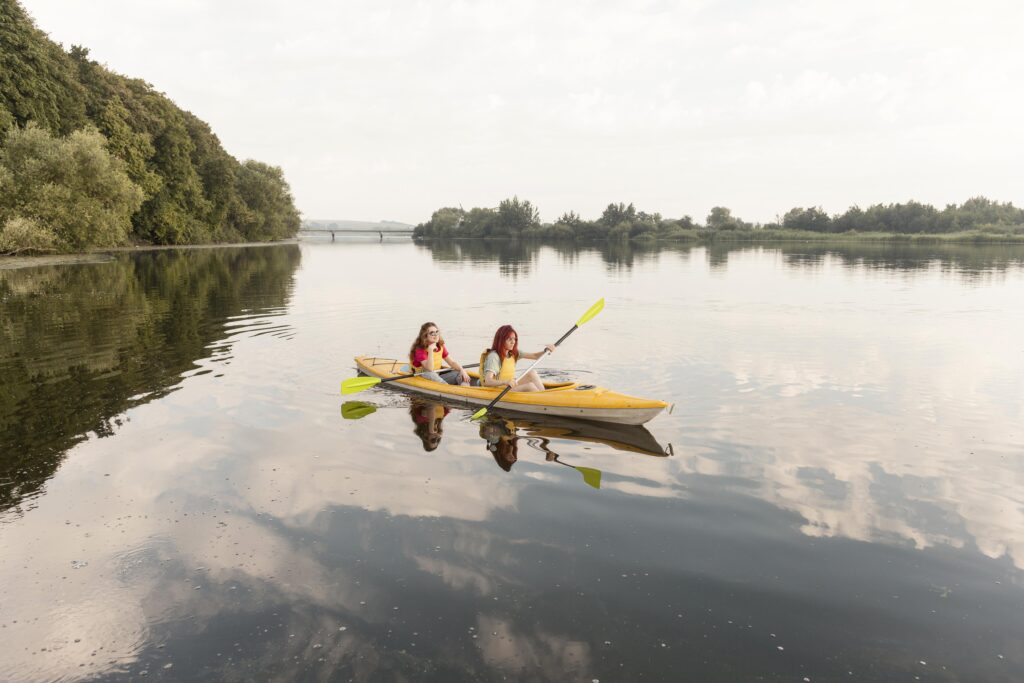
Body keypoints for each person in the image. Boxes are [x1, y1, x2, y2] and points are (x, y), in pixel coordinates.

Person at [479, 324, 555, 392]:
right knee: (530, 386)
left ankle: (544, 395)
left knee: (532, 373)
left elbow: (535, 356)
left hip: (508, 387)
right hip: (497, 391)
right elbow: (487, 381)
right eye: (510, 339)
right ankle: (543, 401)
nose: (513, 342)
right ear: (501, 340)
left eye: (514, 339)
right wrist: (505, 382)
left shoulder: (513, 353)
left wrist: (546, 351)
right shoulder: (494, 357)